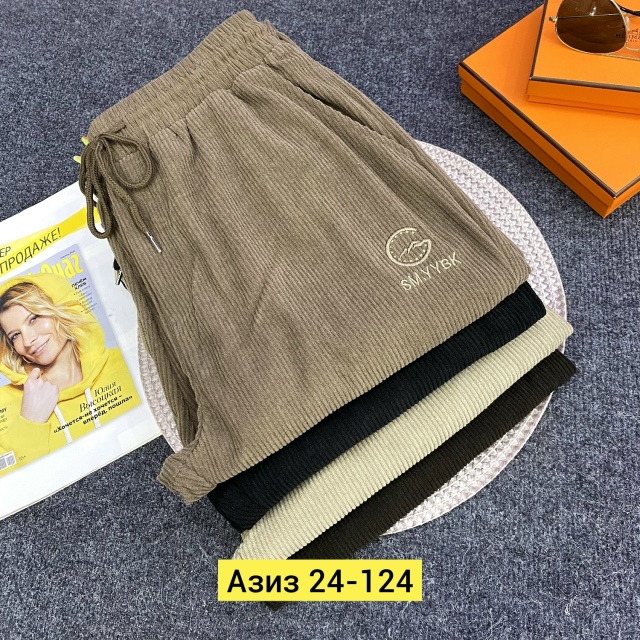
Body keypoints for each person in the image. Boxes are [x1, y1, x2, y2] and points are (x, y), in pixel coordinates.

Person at [0, 273, 140, 476]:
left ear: (60, 307)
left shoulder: (124, 362)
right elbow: (13, 486)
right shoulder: (4, 402)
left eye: (34, 318)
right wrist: (30, 421)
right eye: (15, 335)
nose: (28, 340)